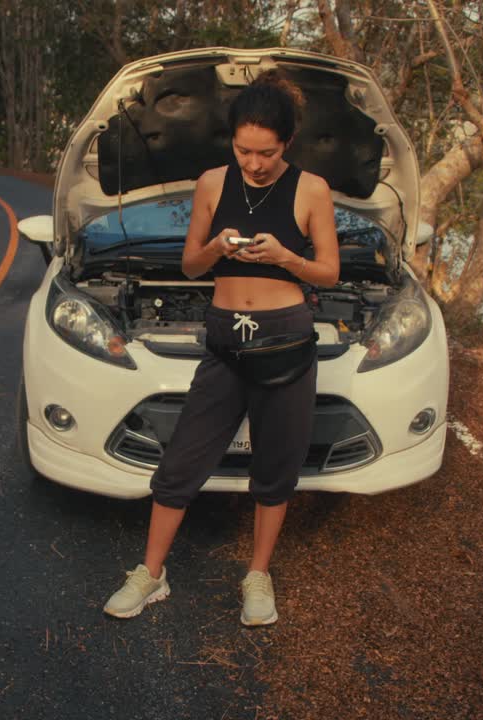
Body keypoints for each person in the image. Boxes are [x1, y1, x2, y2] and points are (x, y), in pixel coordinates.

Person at [103, 71, 340, 626]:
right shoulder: (212, 183)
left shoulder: (312, 190)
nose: (254, 164)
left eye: (266, 152)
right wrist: (212, 247)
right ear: (230, 140)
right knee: (183, 460)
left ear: (286, 144)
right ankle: (151, 574)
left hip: (286, 340)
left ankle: (257, 576)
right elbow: (190, 265)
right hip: (225, 339)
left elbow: (327, 273)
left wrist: (286, 257)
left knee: (276, 467)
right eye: (243, 150)